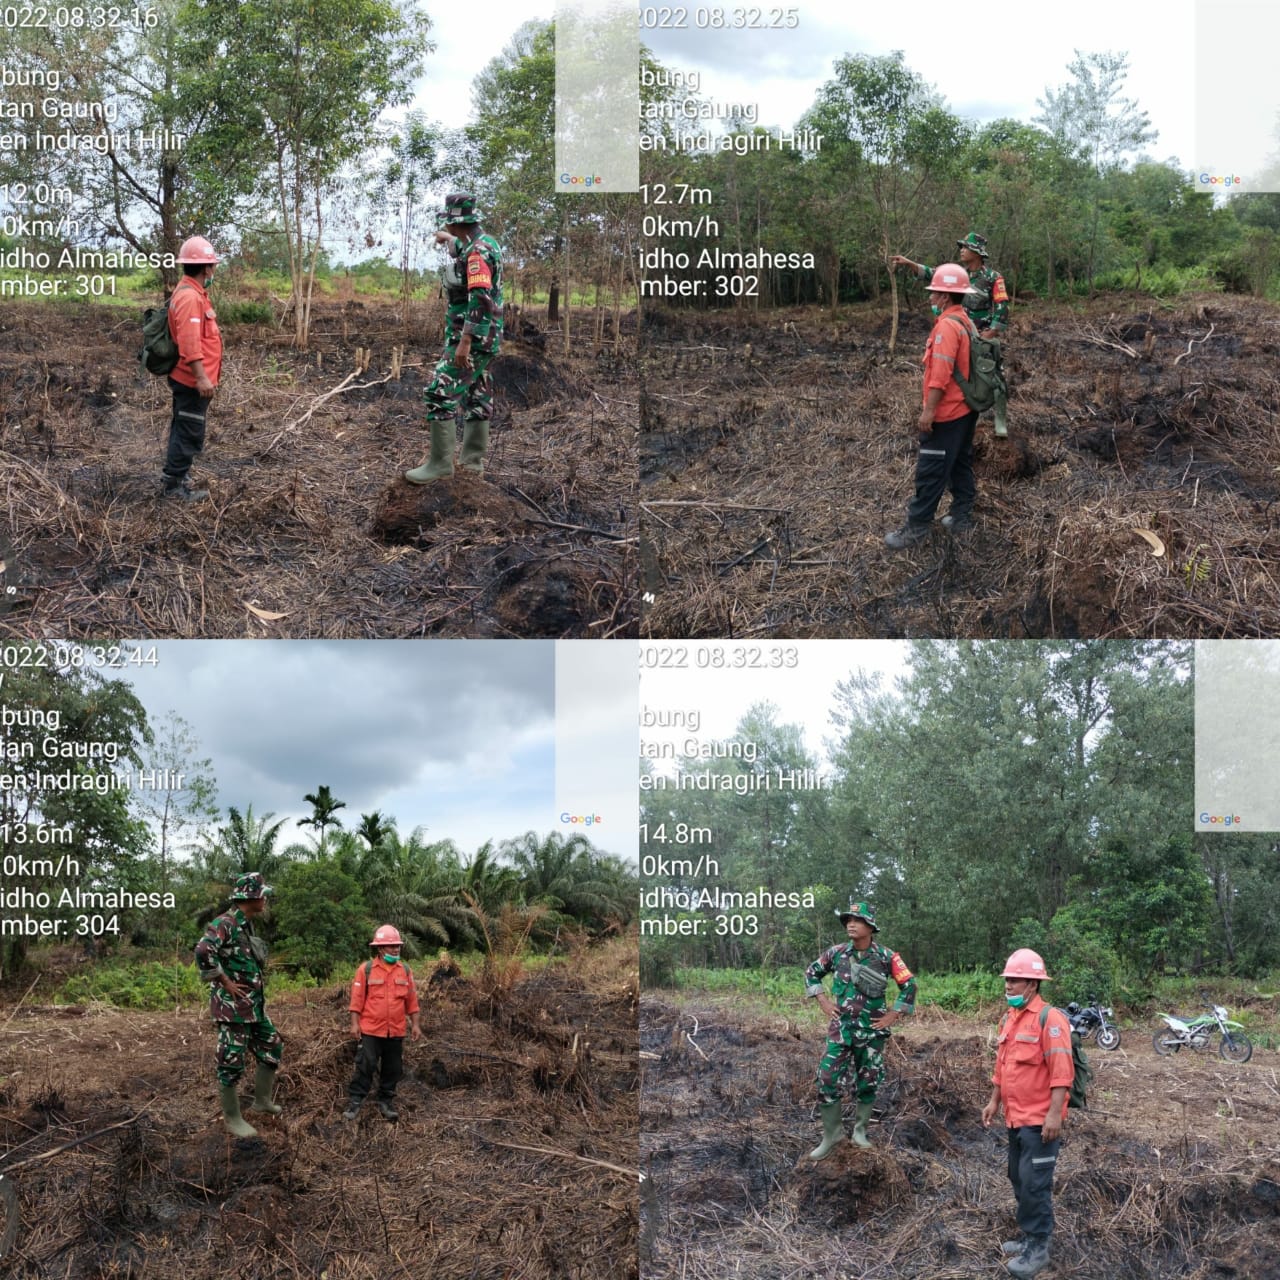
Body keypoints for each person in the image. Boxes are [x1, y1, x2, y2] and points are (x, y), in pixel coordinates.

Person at [981, 948, 1074, 1279]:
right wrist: (994, 1101)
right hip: (1014, 1118)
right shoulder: (1009, 1017)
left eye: (1015, 980)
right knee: (1018, 1177)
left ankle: (1038, 1247)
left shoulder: (1051, 1020)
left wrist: (1054, 1115)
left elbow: (1063, 1071)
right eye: (1007, 979)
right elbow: (1002, 1067)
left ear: (1033, 984)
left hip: (1039, 1122)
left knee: (1035, 1184)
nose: (1008, 985)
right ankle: (1028, 1236)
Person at [804, 898, 916, 1157]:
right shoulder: (836, 953)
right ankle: (832, 1136)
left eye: (857, 921)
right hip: (841, 1030)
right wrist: (822, 999)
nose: (851, 925)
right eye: (849, 921)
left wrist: (893, 1015)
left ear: (870, 926)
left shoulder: (887, 957)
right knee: (827, 1078)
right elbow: (811, 972)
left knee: (868, 1081)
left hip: (871, 1033)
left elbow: (909, 985)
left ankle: (860, 1132)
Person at [405, 193, 504, 484]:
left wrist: (465, 341)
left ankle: (440, 465)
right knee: (478, 396)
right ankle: (472, 465)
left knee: (439, 393)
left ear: (456, 222)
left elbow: (480, 297)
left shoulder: (477, 254)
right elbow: (456, 246)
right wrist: (446, 237)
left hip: (471, 338)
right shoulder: (484, 243)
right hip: (488, 338)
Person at [885, 263, 982, 549]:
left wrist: (929, 412)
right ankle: (962, 518)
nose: (930, 297)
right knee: (960, 464)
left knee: (930, 470)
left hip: (948, 412)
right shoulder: (966, 320)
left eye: (934, 293)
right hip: (966, 410)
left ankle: (915, 530)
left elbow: (940, 376)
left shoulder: (946, 328)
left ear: (945, 297)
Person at [194, 872, 283, 1138]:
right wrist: (224, 981)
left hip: (252, 1008)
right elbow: (203, 951)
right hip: (233, 1010)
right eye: (263, 895)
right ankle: (232, 1118)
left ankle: (262, 1102)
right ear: (252, 897)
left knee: (272, 1045)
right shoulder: (226, 923)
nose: (265, 899)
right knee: (231, 1060)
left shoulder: (245, 924)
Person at [162, 236, 222, 502]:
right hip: (191, 381)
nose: (214, 270)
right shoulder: (189, 298)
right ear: (207, 267)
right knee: (188, 430)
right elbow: (188, 341)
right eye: (212, 265)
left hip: (191, 379)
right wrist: (201, 377)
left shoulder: (192, 293)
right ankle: (174, 488)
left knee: (185, 426)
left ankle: (179, 475)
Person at [343, 924, 422, 1121]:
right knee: (365, 1065)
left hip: (395, 1030)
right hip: (371, 1029)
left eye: (397, 945)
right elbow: (357, 999)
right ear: (380, 949)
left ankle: (386, 1101)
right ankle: (355, 1101)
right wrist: (354, 1024)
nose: (396, 949)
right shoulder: (366, 970)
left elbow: (412, 1000)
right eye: (391, 946)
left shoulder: (404, 970)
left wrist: (416, 1024)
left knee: (393, 1068)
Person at [891, 231, 1009, 338]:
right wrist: (909, 263)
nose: (962, 250)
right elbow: (933, 274)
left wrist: (992, 332)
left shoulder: (993, 277)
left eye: (966, 247)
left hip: (979, 336)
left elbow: (1002, 306)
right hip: (957, 332)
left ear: (977, 253)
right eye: (961, 247)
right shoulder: (959, 274)